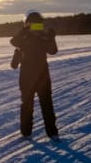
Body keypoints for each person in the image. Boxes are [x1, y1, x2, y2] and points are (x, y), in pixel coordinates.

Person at [10, 10, 59, 139]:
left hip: (34, 77)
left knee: (40, 104)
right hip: (35, 77)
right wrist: (25, 31)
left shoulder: (41, 38)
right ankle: (32, 132)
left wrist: (50, 36)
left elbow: (53, 51)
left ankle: (48, 132)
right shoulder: (24, 39)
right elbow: (13, 41)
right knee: (35, 104)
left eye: (37, 24)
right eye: (32, 24)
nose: (35, 27)